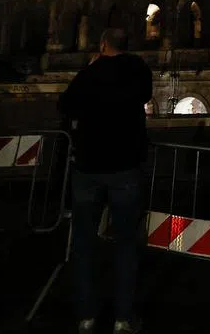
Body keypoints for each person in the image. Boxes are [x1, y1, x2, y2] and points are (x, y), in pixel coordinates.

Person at [59, 27, 153, 334]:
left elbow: (65, 105)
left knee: (84, 243)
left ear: (102, 45)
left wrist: (92, 69)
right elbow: (145, 94)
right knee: (126, 243)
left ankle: (86, 315)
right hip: (125, 166)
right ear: (126, 45)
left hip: (88, 166)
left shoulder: (90, 73)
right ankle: (122, 317)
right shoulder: (137, 69)